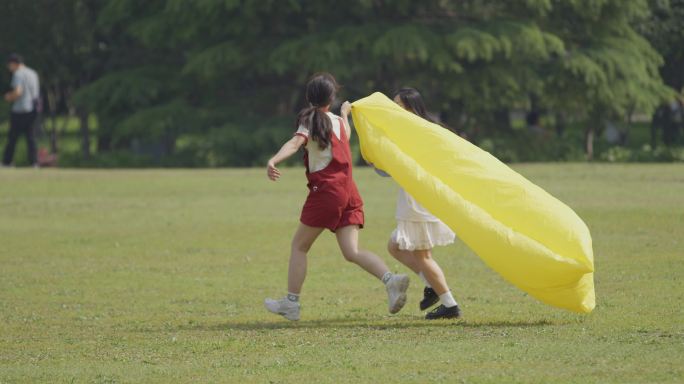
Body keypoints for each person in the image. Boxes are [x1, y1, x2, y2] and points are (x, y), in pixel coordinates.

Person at [264, 73, 409, 321]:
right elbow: (344, 139)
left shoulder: (310, 120)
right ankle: (391, 280)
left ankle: (291, 303)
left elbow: (295, 143)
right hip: (348, 191)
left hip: (327, 192)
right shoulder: (339, 123)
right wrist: (344, 115)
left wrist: (274, 159)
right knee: (351, 251)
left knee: (299, 246)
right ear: (331, 99)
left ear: (309, 97)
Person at [385, 87, 461, 320]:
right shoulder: (420, 129)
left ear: (410, 107)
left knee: (423, 256)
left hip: (419, 201)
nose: (393, 108)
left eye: (397, 105)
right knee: (395, 246)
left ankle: (449, 304)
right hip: (418, 198)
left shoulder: (416, 132)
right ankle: (431, 285)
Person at [3, 54, 40, 167]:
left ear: (14, 63)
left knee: (12, 137)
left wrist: (8, 97)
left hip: (20, 110)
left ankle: (7, 162)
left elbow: (18, 92)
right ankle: (34, 162)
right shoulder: (33, 73)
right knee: (31, 137)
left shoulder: (18, 74)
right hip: (33, 109)